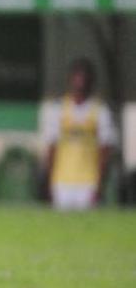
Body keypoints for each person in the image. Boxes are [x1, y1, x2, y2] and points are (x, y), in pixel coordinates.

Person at [41, 58, 117, 211]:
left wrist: (100, 184)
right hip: (62, 181)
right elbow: (51, 148)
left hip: (88, 182)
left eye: (84, 77)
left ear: (91, 81)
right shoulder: (58, 109)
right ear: (70, 79)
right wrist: (48, 180)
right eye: (77, 77)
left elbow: (105, 151)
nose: (80, 82)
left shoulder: (100, 111)